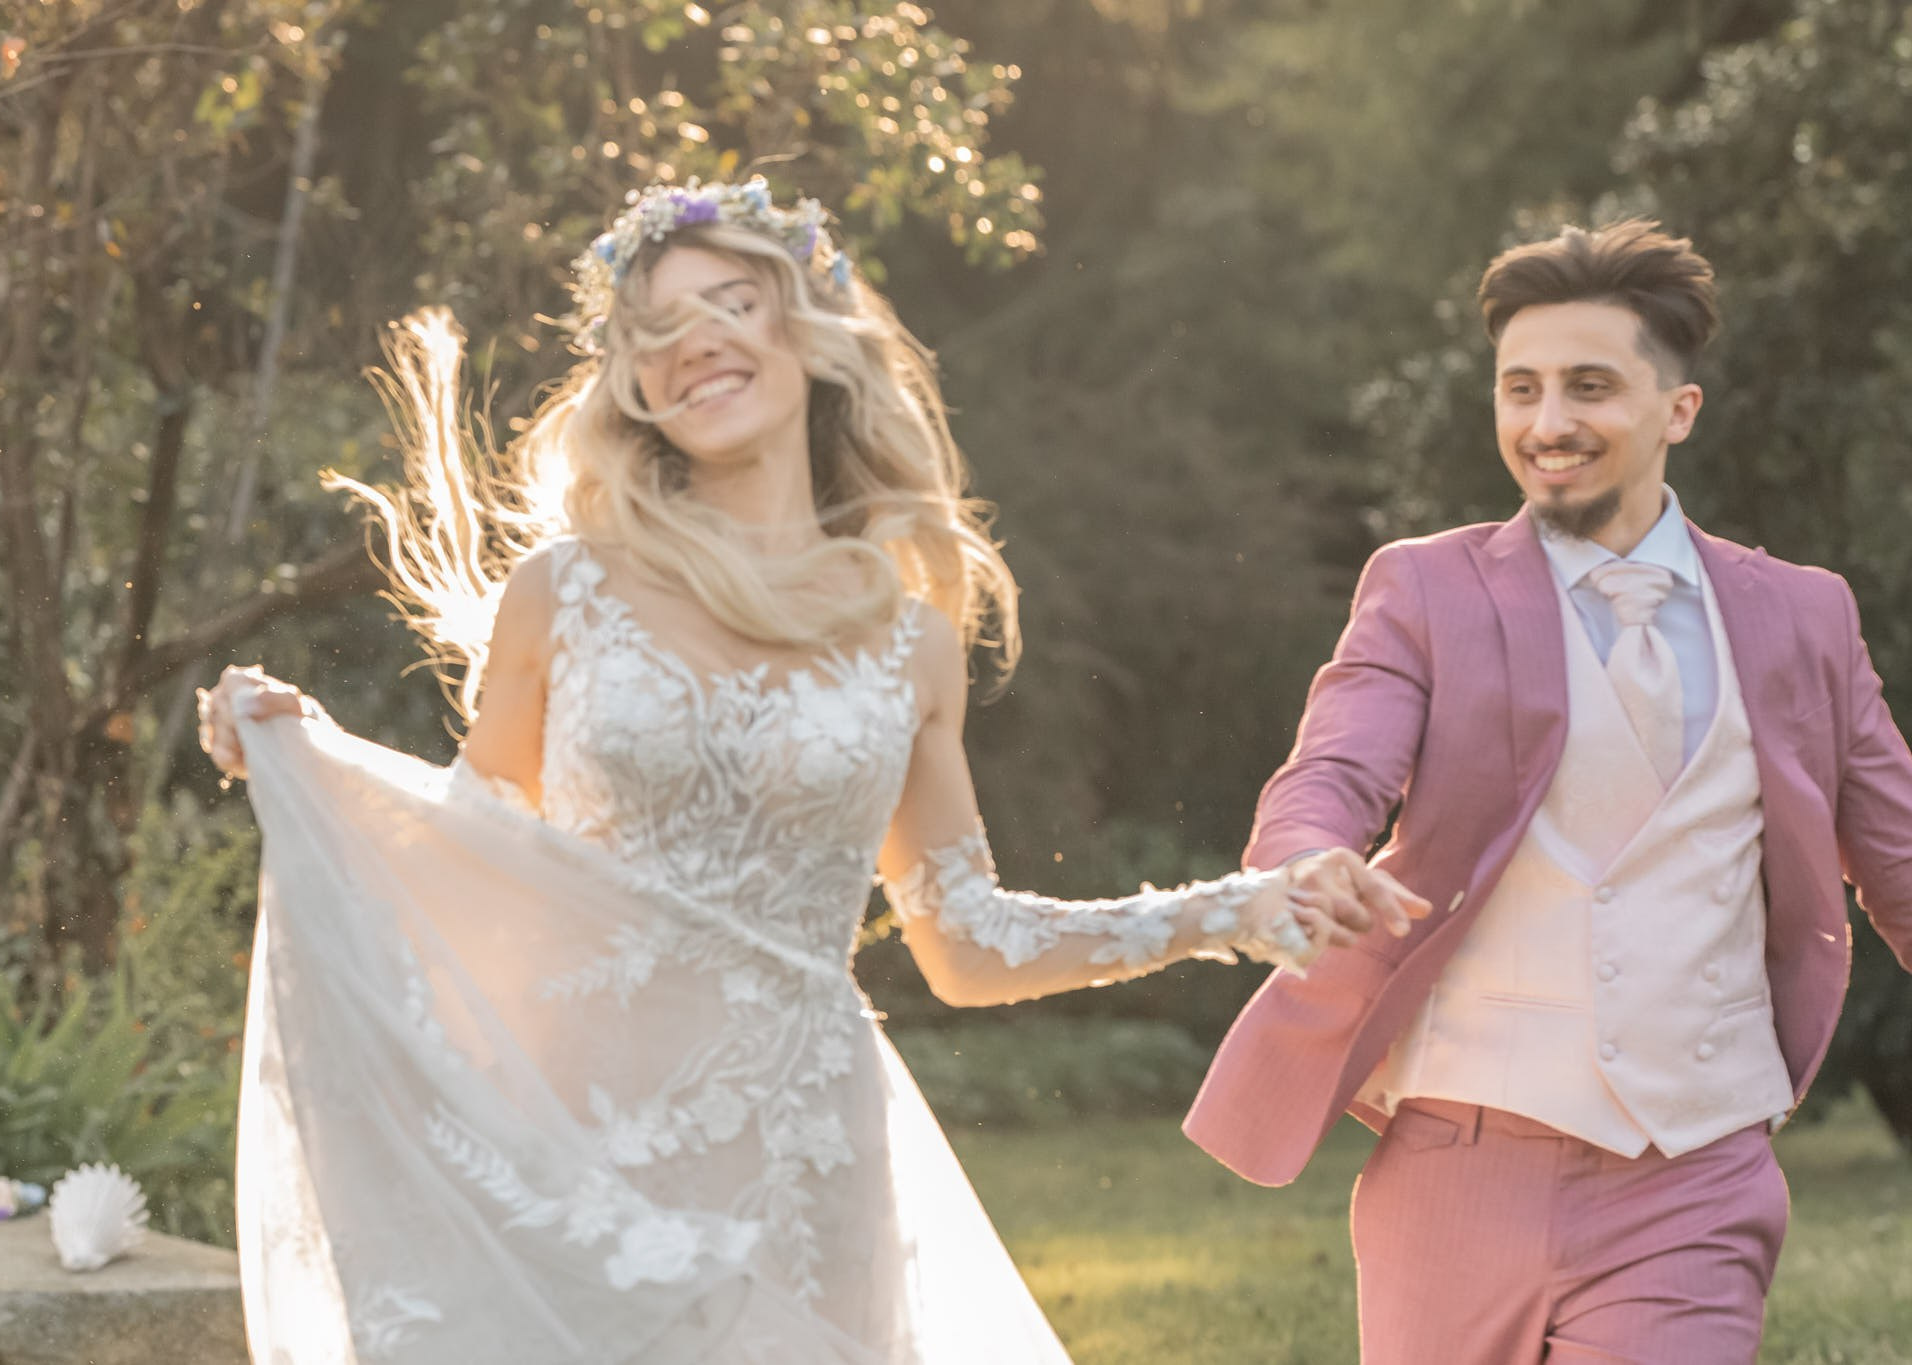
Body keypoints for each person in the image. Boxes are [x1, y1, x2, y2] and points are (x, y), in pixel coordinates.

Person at [197, 177, 1424, 1364]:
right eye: (657, 326)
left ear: (811, 331)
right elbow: (472, 873)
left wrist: (1233, 909)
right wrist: (310, 761)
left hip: (800, 1164)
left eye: (729, 303)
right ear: (630, 380)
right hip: (586, 1149)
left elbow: (965, 942)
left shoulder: (908, 640)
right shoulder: (561, 595)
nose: (695, 343)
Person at [1184, 219, 1912, 1362]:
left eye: (1587, 387)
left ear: (1677, 409)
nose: (1544, 424)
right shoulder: (1424, 589)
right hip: (1458, 1160)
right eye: (1517, 389)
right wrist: (1300, 859)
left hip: (1693, 1167)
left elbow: (1898, 857)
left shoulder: (1800, 614)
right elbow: (1334, 768)